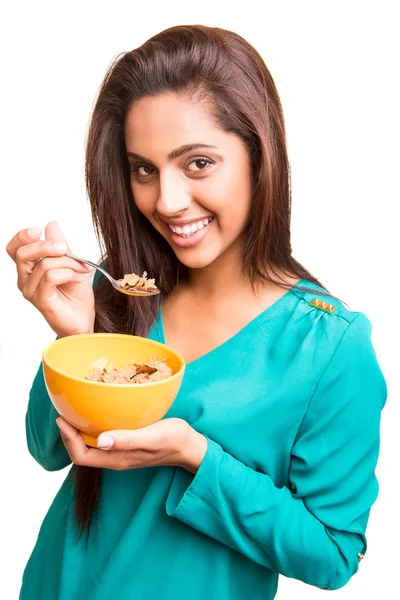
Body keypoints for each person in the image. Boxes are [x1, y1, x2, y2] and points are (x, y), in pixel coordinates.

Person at [6, 24, 387, 600]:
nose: (167, 201)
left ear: (260, 156)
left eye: (199, 163)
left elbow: (334, 554)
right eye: (144, 169)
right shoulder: (119, 290)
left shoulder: (328, 345)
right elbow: (45, 449)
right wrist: (74, 338)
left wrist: (196, 456)